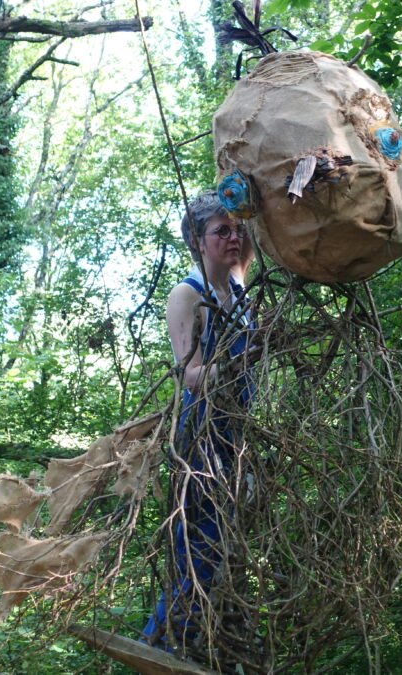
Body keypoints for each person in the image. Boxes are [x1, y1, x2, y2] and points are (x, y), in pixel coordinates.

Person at [142, 191, 256, 649]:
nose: (234, 237)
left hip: (237, 426)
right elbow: (189, 377)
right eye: (221, 231)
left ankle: (197, 640)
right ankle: (163, 640)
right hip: (203, 427)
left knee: (224, 536)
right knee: (201, 538)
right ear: (196, 239)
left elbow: (257, 229)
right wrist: (241, 356)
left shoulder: (239, 286)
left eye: (237, 228)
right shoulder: (187, 295)